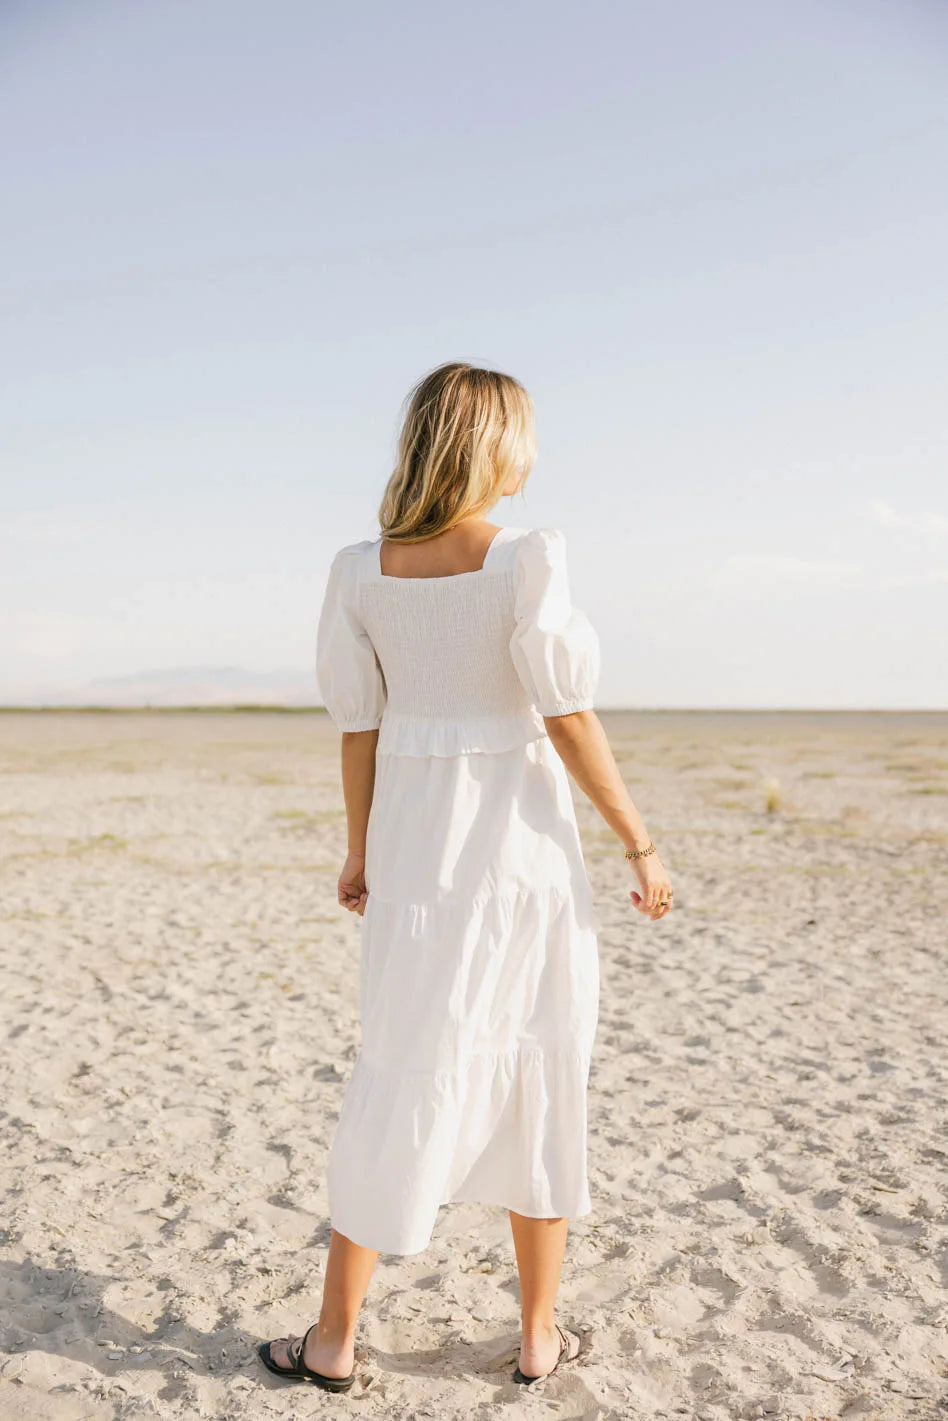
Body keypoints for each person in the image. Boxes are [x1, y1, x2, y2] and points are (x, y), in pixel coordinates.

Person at [257, 360, 673, 1392]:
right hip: (524, 857)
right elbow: (569, 718)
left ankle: (334, 1340)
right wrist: (639, 840)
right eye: (522, 434)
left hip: (416, 858)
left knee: (399, 1065)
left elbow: (358, 725)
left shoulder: (358, 570)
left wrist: (359, 848)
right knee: (540, 1062)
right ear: (497, 443)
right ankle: (538, 1335)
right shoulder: (531, 557)